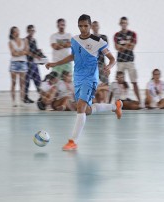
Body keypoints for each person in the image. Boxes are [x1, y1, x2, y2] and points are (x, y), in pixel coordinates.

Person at [46, 14, 122, 151]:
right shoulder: (74, 40)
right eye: (80, 26)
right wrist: (55, 63)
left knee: (80, 106)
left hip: (90, 77)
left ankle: (72, 141)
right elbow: (73, 56)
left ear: (90, 25)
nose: (83, 28)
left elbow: (112, 58)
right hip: (78, 77)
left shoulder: (98, 41)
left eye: (86, 26)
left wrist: (109, 67)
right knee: (86, 110)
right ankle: (114, 106)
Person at [114, 17, 141, 103]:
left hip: (130, 61)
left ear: (127, 23)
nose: (124, 24)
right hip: (120, 61)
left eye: (125, 23)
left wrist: (123, 46)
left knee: (134, 82)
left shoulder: (133, 34)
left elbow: (132, 47)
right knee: (119, 82)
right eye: (122, 23)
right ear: (120, 24)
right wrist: (127, 44)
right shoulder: (117, 35)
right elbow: (117, 48)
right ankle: (118, 101)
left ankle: (140, 101)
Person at [25, 25, 46, 104]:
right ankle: (25, 97)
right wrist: (35, 55)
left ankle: (41, 96)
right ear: (27, 31)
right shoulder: (25, 40)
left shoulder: (34, 40)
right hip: (28, 63)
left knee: (38, 80)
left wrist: (39, 51)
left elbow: (34, 50)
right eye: (30, 30)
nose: (32, 32)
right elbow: (27, 51)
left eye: (33, 30)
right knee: (27, 81)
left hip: (34, 63)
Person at [8, 26, 29, 107]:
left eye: (17, 31)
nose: (17, 33)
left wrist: (19, 52)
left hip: (23, 63)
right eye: (15, 32)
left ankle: (21, 100)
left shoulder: (24, 40)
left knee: (22, 83)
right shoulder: (11, 42)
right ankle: (13, 101)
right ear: (12, 34)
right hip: (14, 63)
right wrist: (22, 52)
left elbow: (27, 51)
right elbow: (13, 53)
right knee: (13, 83)